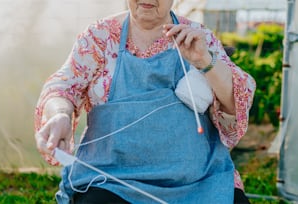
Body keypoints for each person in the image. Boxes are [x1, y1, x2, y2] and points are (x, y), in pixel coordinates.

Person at [35, 1, 256, 203]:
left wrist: (205, 62)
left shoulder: (199, 38)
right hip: (112, 181)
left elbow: (237, 102)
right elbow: (63, 88)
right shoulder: (99, 37)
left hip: (199, 181)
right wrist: (59, 114)